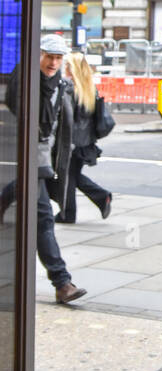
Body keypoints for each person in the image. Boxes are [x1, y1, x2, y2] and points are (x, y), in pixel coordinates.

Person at [3, 35, 86, 304]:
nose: (53, 62)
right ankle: (62, 282)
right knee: (43, 218)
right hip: (25, 155)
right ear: (37, 54)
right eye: (49, 56)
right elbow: (21, 114)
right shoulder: (24, 80)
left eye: (58, 58)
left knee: (25, 197)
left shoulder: (57, 85)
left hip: (40, 158)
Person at [56, 52, 112, 224]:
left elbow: (66, 118)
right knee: (73, 176)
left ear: (72, 69)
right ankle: (101, 198)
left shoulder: (69, 88)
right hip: (85, 142)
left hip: (72, 141)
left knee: (69, 177)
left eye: (67, 66)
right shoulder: (89, 87)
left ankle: (69, 213)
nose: (64, 68)